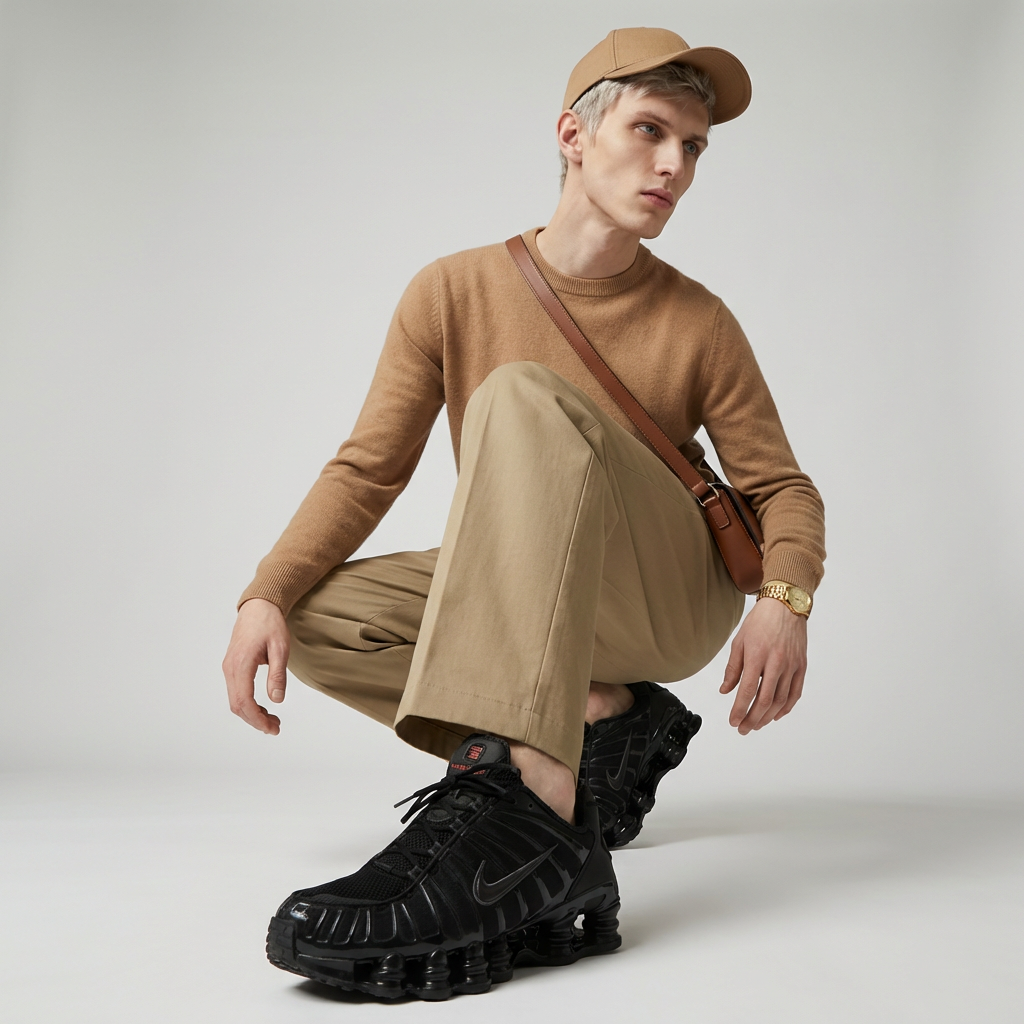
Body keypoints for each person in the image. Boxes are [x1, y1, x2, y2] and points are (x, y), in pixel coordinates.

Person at [222, 27, 825, 1001]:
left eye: (693, 146)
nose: (674, 165)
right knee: (321, 616)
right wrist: (266, 591)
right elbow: (368, 468)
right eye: (650, 130)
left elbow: (780, 487)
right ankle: (601, 716)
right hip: (540, 598)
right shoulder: (452, 290)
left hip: (661, 595)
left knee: (518, 395)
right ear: (573, 135)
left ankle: (532, 805)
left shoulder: (697, 320)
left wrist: (785, 597)